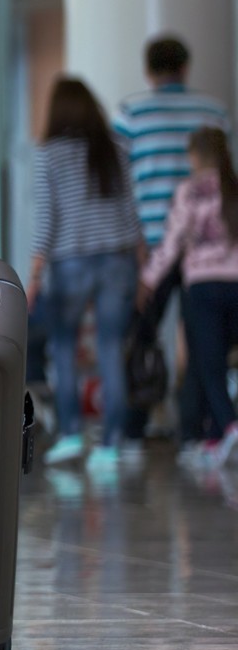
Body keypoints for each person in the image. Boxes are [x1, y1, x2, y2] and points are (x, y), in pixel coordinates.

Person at [114, 35, 232, 446]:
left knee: (140, 338)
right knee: (205, 343)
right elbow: (226, 182)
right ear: (185, 68)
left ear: (149, 71)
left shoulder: (131, 113)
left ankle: (131, 430)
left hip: (154, 244)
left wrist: (136, 246)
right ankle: (195, 433)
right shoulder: (214, 112)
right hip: (211, 249)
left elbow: (119, 184)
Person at [27, 77, 144, 471]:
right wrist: (141, 266)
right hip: (117, 259)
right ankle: (112, 442)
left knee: (63, 347)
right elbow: (131, 211)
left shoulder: (50, 155)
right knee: (111, 347)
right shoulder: (116, 148)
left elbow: (47, 219)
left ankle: (72, 434)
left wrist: (34, 273)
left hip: (71, 260)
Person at [141, 127, 238, 468]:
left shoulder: (188, 191)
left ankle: (228, 427)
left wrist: (148, 281)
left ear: (195, 155)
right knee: (224, 359)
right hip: (235, 285)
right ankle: (215, 437)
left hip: (202, 288)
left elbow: (172, 245)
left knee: (208, 364)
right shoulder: (234, 187)